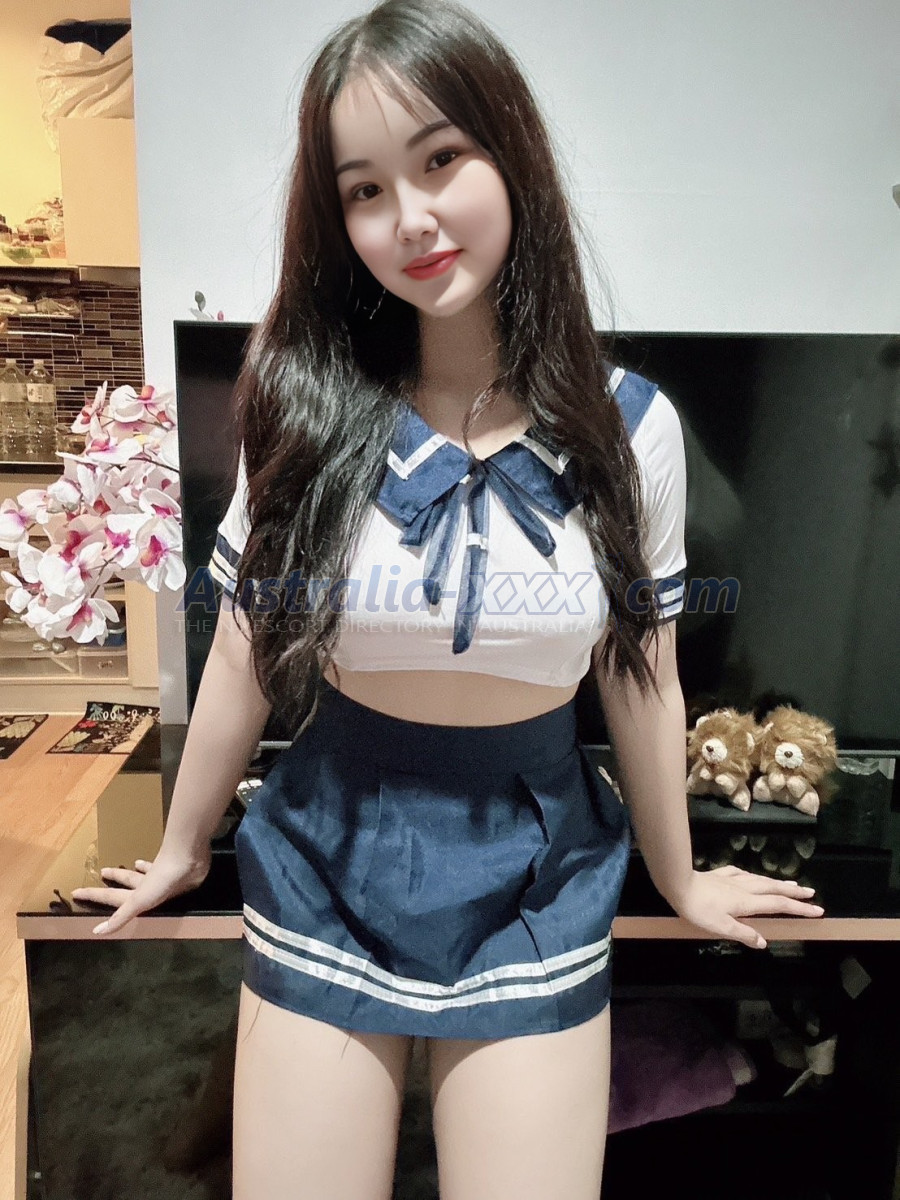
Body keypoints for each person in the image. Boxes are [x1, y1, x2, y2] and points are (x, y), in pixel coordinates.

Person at [71, 1, 826, 1196]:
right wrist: (179, 846)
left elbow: (642, 671)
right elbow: (246, 649)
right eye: (364, 190)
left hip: (538, 859)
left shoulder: (630, 429)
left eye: (440, 161)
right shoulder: (302, 409)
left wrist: (678, 877)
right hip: (330, 840)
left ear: (510, 156)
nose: (409, 218)